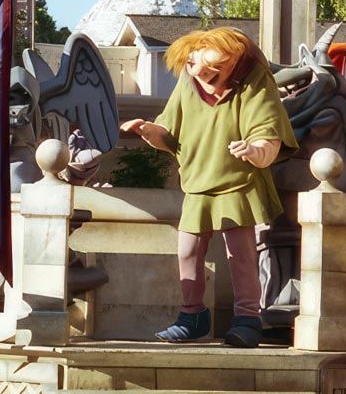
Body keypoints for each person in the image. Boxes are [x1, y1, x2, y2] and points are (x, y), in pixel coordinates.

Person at [121, 28, 297, 348]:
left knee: (241, 254)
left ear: (234, 62)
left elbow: (268, 134)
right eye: (192, 65)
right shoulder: (189, 83)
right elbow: (169, 132)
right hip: (198, 183)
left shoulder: (255, 81)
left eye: (210, 69)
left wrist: (256, 150)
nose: (199, 73)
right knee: (187, 251)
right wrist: (147, 130)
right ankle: (192, 317)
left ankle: (247, 319)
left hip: (238, 183)